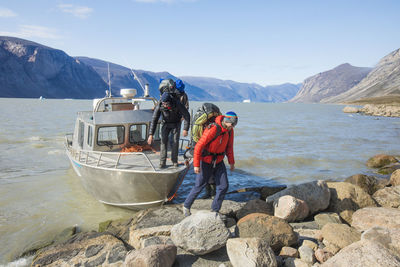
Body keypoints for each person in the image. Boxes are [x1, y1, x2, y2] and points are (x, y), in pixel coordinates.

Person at [183, 111, 238, 216]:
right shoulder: (213, 129)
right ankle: (186, 206)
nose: (233, 126)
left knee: (224, 186)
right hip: (206, 161)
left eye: (235, 124)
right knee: (199, 185)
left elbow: (229, 147)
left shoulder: (230, 131)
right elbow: (199, 146)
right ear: (226, 121)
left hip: (219, 161)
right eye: (232, 124)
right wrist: (196, 165)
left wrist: (231, 162)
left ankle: (215, 210)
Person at [148, 92, 190, 168]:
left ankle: (174, 161)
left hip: (176, 123)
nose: (165, 106)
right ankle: (162, 162)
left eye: (167, 104)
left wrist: (185, 129)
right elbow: (154, 119)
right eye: (164, 104)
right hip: (165, 123)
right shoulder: (160, 105)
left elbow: (187, 115)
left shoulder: (177, 103)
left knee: (175, 142)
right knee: (163, 142)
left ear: (170, 101)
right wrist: (151, 134)